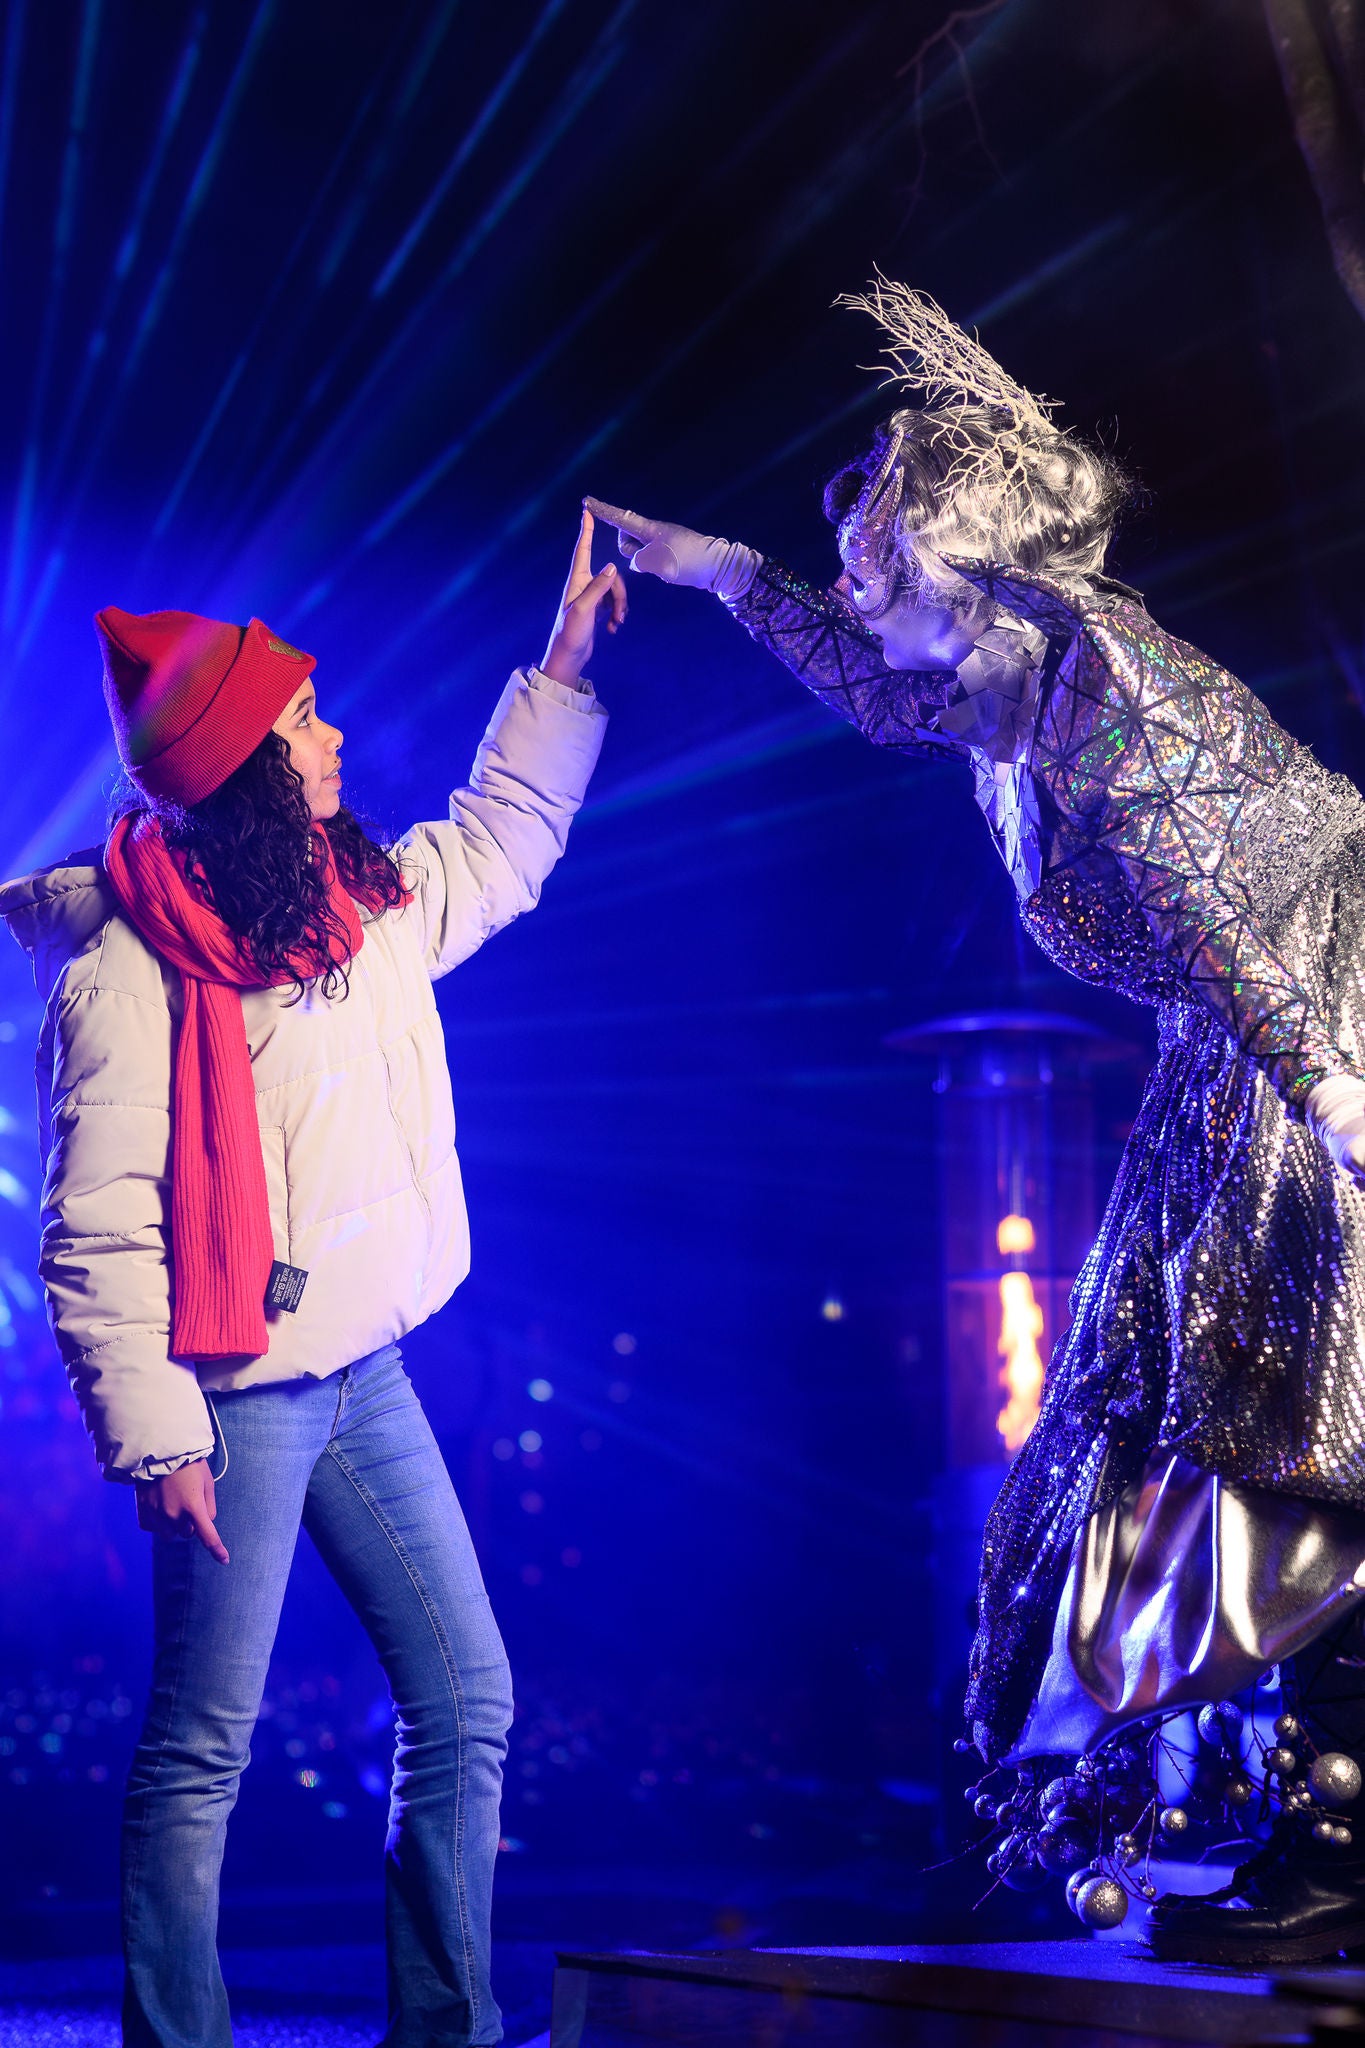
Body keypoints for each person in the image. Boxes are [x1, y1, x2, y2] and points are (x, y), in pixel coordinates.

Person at [584, 279, 1365, 1966]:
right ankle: (1118, 1813)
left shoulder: (1110, 711)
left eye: (880, 574)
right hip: (1228, 1042)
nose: (863, 603)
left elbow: (1225, 922)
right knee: (1127, 1406)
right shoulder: (1001, 686)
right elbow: (880, 698)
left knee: (1284, 1407)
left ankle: (1333, 1833)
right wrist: (719, 572)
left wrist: (1335, 1095)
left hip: (1311, 998)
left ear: (978, 572)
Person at [0, 512, 624, 2046]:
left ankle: (447, 2028)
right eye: (302, 721)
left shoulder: (357, 911)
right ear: (239, 767)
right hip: (235, 1403)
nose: (333, 735)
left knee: (466, 1699)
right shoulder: (126, 972)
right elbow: (94, 1230)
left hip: (368, 1378)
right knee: (204, 1744)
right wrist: (158, 1441)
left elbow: (493, 847)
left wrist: (555, 674)